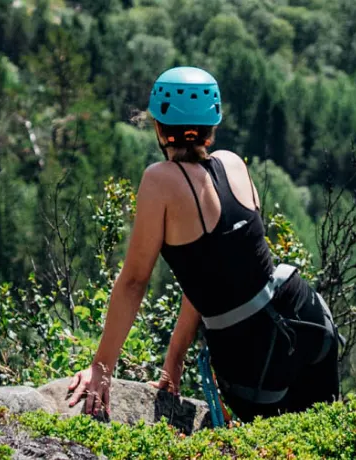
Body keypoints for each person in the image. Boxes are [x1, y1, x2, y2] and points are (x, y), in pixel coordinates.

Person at [66, 67, 341, 421]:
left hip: (253, 354)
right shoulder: (231, 164)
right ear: (213, 127)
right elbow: (214, 269)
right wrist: (174, 362)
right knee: (328, 438)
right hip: (308, 321)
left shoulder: (160, 180)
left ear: (158, 126)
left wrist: (101, 367)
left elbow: (134, 281)